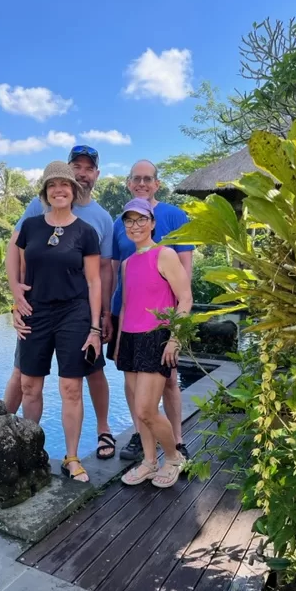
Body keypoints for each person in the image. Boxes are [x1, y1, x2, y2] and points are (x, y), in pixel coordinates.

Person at [4, 145, 117, 460]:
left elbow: (103, 272)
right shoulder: (34, 213)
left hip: (78, 310)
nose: (81, 173)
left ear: (93, 175)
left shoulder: (100, 219)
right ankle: (4, 431)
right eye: (75, 167)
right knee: (23, 375)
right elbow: (16, 252)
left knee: (89, 374)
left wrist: (103, 315)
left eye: (87, 168)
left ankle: (101, 431)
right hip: (37, 307)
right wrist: (16, 292)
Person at [107, 160, 194, 461]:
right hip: (128, 326)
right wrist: (113, 329)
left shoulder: (172, 222)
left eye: (148, 179)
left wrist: (176, 334)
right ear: (129, 183)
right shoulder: (122, 236)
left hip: (160, 325)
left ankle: (175, 446)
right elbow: (119, 283)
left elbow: (185, 288)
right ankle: (147, 455)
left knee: (166, 385)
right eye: (136, 179)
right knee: (136, 397)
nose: (135, 225)